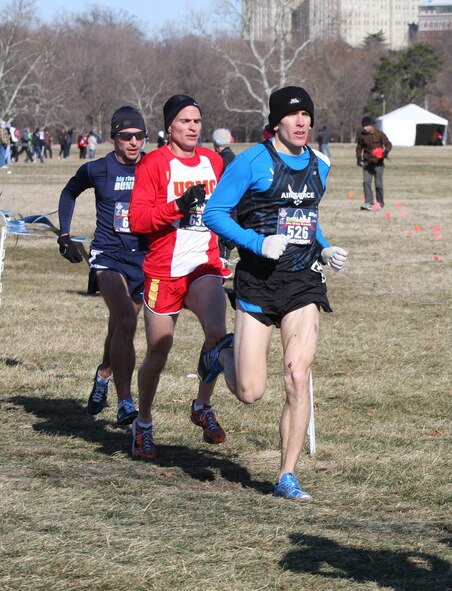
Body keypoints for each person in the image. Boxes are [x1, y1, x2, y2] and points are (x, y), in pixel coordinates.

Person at [203, 86, 348, 501]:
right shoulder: (250, 162)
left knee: (297, 375)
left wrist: (324, 246)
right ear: (276, 121)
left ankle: (286, 475)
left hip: (303, 281)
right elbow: (214, 212)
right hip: (258, 281)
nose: (302, 122)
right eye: (293, 115)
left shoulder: (320, 165)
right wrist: (255, 242)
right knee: (250, 392)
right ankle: (220, 354)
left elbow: (307, 219)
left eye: (307, 115)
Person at [128, 94, 233, 460]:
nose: (193, 127)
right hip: (163, 270)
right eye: (185, 121)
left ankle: (202, 405)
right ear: (169, 127)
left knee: (217, 334)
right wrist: (177, 207)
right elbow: (138, 221)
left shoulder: (213, 161)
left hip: (203, 265)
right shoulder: (154, 164)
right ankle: (142, 422)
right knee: (159, 352)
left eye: (197, 121)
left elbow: (228, 207)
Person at [57, 106, 149, 425]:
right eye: (126, 136)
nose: (134, 142)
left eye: (139, 136)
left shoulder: (153, 166)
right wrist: (65, 234)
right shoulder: (97, 169)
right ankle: (125, 401)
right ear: (113, 138)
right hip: (107, 255)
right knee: (125, 319)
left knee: (120, 326)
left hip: (142, 257)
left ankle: (104, 374)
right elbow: (69, 192)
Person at [356, 116, 392, 211]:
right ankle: (369, 202)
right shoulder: (361, 136)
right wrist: (359, 158)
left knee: (378, 184)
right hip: (367, 163)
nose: (365, 128)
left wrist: (386, 152)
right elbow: (359, 148)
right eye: (363, 126)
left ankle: (380, 203)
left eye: (367, 126)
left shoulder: (379, 134)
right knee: (366, 182)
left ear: (371, 125)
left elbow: (388, 144)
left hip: (378, 163)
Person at [212, 128, 237, 262]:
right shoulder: (232, 156)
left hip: (228, 204)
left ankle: (223, 266)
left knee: (225, 240)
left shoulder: (222, 159)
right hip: (231, 203)